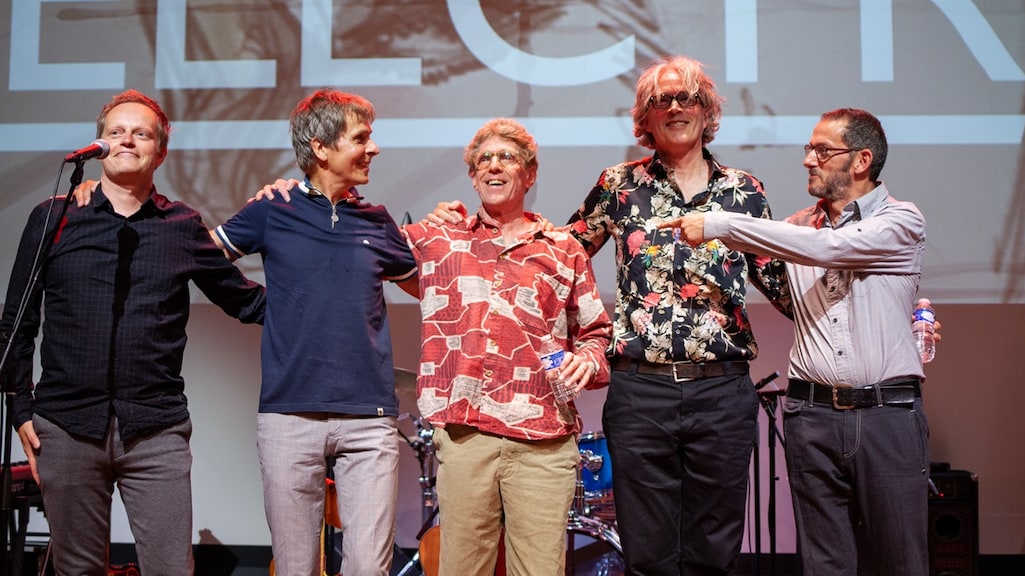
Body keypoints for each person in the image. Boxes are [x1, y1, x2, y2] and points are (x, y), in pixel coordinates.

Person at [429, 56, 790, 575]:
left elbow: (780, 285)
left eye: (687, 97)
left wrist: (835, 251)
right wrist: (470, 227)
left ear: (708, 111)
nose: (674, 107)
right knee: (646, 552)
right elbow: (555, 254)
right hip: (642, 393)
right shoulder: (620, 185)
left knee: (716, 550)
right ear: (644, 118)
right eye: (660, 100)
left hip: (721, 390)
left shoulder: (743, 192)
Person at [0, 89, 266, 576]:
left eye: (141, 133)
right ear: (98, 144)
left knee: (170, 568)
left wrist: (322, 289)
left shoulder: (181, 225)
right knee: (76, 570)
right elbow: (17, 321)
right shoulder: (54, 218)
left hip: (156, 428)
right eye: (115, 131)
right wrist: (21, 412)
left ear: (159, 152)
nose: (126, 140)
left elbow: (248, 301)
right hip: (65, 425)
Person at [666, 108, 930, 575]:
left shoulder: (901, 219)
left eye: (823, 151)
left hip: (886, 415)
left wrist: (719, 224)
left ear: (862, 160)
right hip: (811, 415)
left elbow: (833, 249)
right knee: (823, 564)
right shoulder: (796, 227)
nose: (809, 159)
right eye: (808, 149)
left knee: (898, 560)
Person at [209, 89, 418, 576]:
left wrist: (454, 232)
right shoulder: (272, 209)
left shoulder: (377, 220)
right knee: (296, 567)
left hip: (370, 418)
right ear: (321, 147)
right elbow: (200, 258)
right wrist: (258, 306)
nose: (375, 148)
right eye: (361, 137)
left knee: (368, 569)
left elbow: (429, 286)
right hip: (288, 414)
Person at [402, 118, 612, 576]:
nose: (494, 167)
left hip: (543, 441)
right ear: (473, 177)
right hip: (466, 438)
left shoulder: (565, 249)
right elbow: (358, 243)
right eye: (483, 160)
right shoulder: (439, 240)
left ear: (529, 174)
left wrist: (587, 361)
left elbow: (597, 333)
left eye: (507, 158)